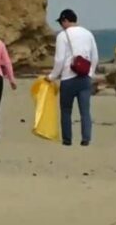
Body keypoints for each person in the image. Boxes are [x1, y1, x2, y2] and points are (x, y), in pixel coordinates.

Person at [46, 9, 98, 147]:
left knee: (66, 110)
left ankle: (67, 139)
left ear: (65, 21)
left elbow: (59, 59)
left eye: (61, 22)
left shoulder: (63, 36)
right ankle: (86, 138)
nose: (61, 25)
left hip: (68, 78)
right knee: (85, 111)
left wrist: (52, 76)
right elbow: (95, 57)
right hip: (84, 78)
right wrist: (90, 73)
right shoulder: (88, 34)